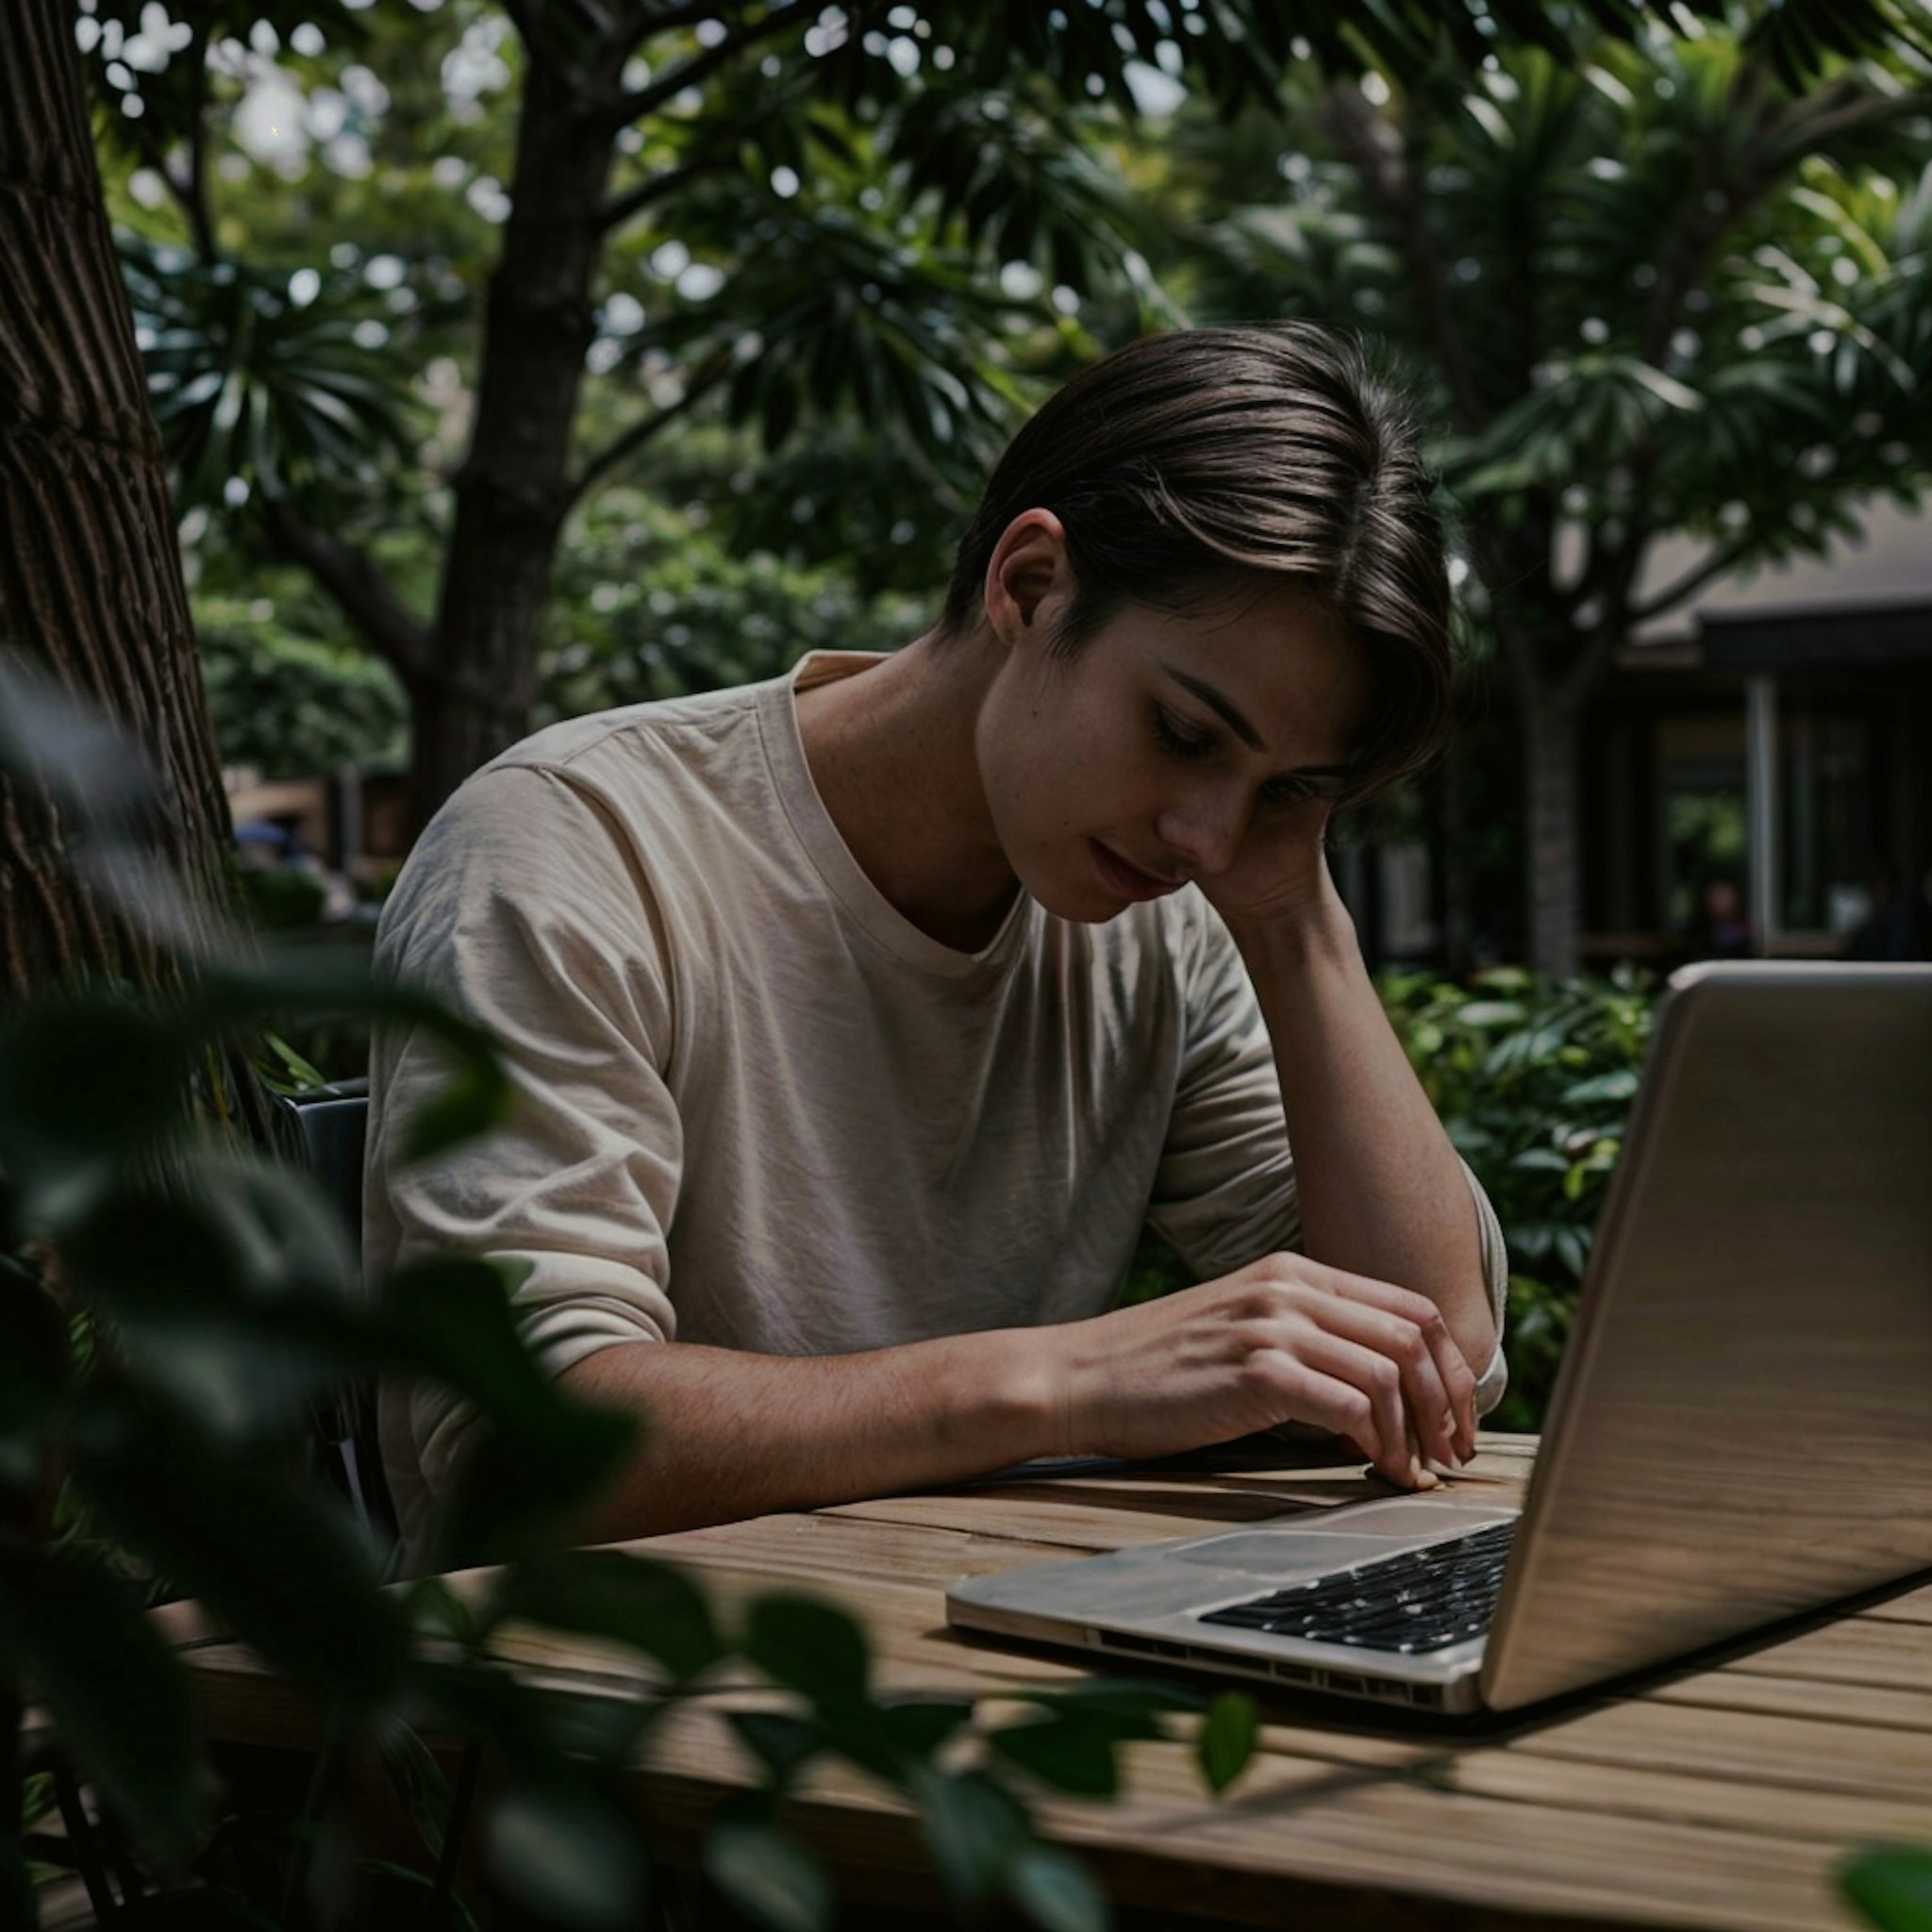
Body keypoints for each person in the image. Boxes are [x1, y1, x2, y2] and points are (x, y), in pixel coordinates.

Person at [366, 325, 1510, 1572]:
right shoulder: (579, 844)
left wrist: (1296, 921)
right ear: (1029, 585)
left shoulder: (1170, 917)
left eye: (1284, 789)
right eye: (1184, 735)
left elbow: (1436, 1360)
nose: (1210, 837)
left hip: (975, 1632)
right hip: (597, 1668)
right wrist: (1067, 1382)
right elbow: (518, 1448)